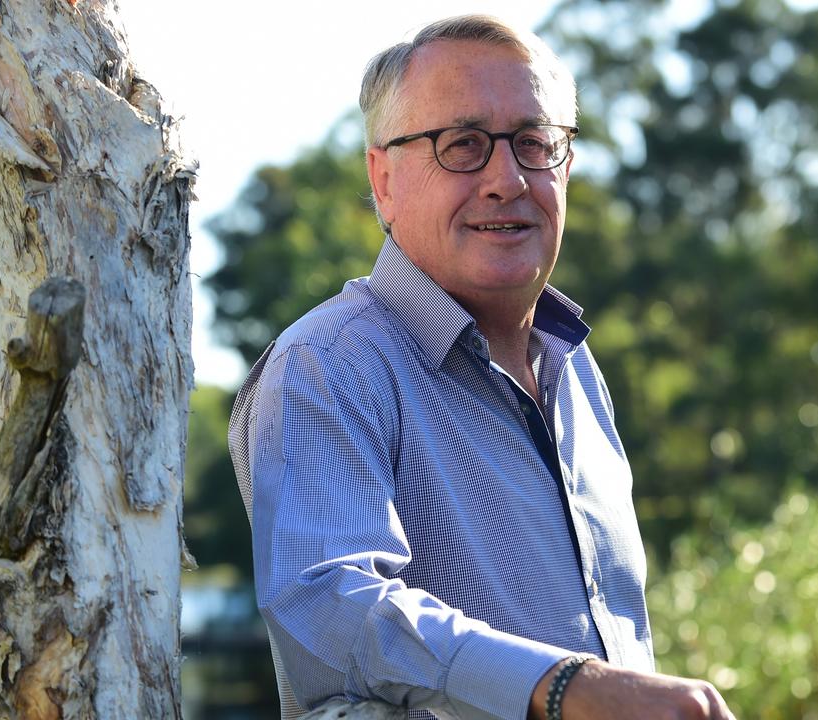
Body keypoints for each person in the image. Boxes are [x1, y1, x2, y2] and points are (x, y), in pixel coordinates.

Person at [229, 14, 736, 720]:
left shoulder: (578, 373)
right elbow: (330, 610)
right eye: (462, 144)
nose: (507, 178)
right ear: (384, 178)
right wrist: (563, 687)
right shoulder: (331, 364)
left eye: (535, 143)